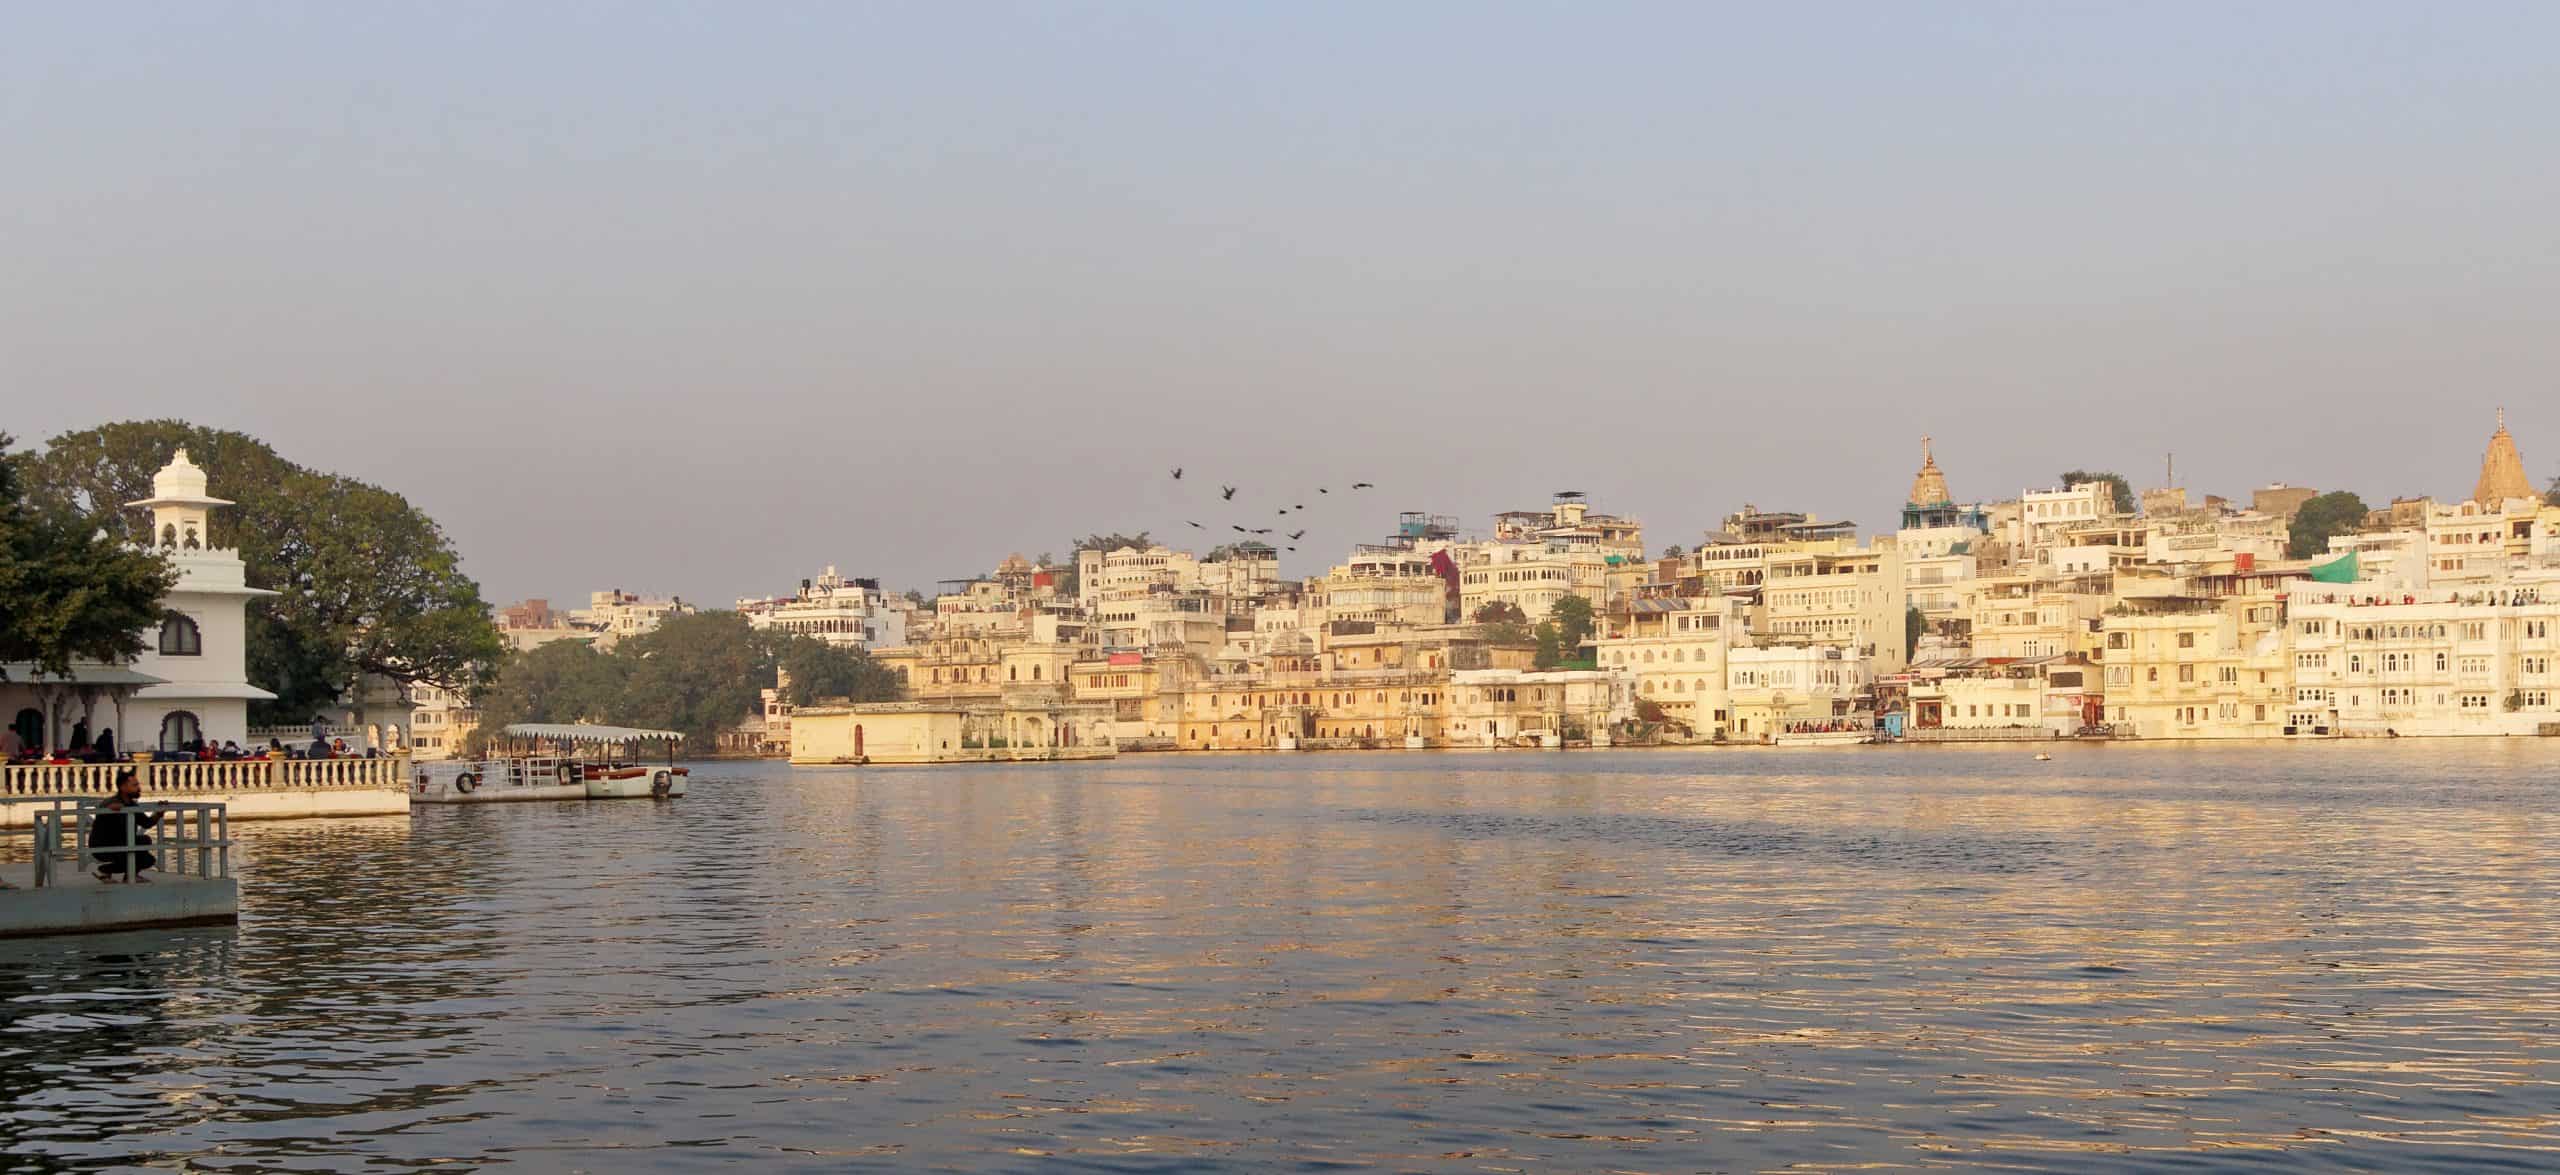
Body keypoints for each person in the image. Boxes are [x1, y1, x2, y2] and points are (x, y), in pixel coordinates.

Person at [90, 768, 159, 883]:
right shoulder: (110, 802)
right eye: (135, 785)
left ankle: (124, 874)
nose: (139, 788)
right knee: (142, 842)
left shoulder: (132, 805)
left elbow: (147, 823)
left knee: (148, 859)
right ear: (123, 787)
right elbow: (103, 812)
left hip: (124, 843)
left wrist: (159, 814)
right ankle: (105, 870)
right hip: (105, 844)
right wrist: (109, 809)